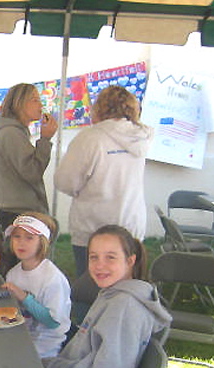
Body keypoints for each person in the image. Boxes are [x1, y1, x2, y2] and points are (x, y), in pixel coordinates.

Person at [43, 225, 171, 368]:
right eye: (94, 257)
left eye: (110, 257)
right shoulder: (112, 293)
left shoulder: (124, 306)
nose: (99, 265)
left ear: (130, 260)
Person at [54, 85, 154, 277]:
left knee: (92, 289)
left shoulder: (90, 138)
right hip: (131, 223)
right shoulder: (140, 137)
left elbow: (65, 181)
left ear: (99, 108)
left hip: (94, 228)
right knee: (127, 287)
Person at [0, 83, 58, 231]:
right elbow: (32, 173)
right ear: (18, 104)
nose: (40, 104)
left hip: (17, 211)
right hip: (19, 213)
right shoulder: (11, 134)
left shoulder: (14, 132)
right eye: (34, 100)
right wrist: (45, 140)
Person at [2, 213, 71, 358]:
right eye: (17, 236)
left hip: (46, 345)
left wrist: (25, 298)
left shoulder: (52, 278)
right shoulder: (13, 274)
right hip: (19, 337)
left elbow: (53, 322)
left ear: (42, 242)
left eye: (29, 237)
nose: (21, 243)